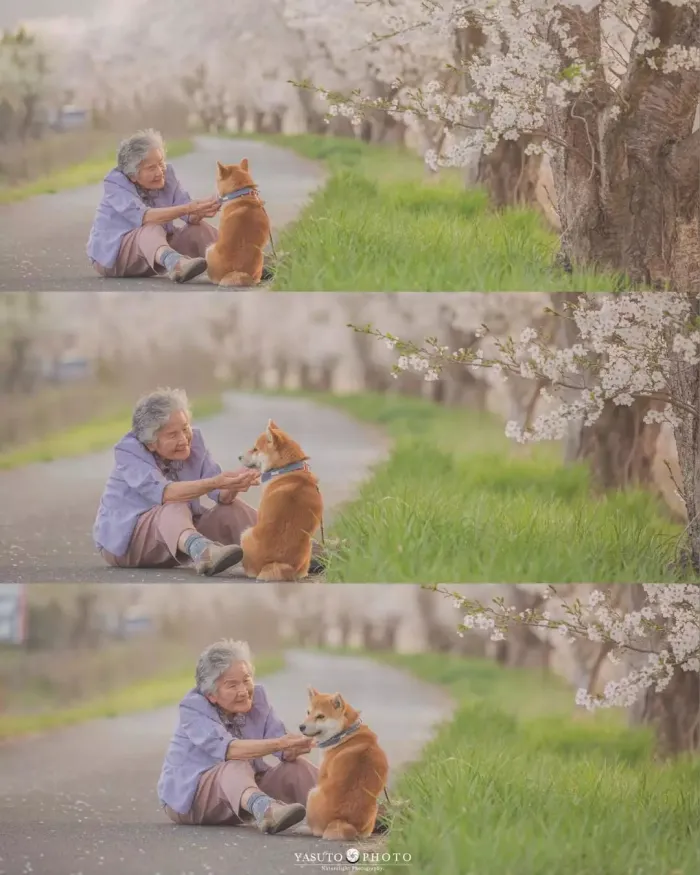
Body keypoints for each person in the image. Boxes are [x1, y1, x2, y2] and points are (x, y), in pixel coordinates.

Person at [93, 387, 325, 576]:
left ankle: (297, 549)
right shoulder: (130, 451)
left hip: (178, 535)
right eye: (173, 435)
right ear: (151, 443)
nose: (184, 439)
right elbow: (167, 493)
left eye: (185, 429)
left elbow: (220, 494)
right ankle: (203, 552)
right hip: (128, 545)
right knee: (175, 505)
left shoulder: (195, 443)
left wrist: (235, 482)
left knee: (231, 510)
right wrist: (215, 482)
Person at [158, 639, 318, 833]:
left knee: (296, 768)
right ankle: (266, 810)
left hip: (241, 796)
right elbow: (229, 749)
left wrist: (293, 748)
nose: (243, 691)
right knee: (236, 762)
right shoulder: (194, 708)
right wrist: (280, 743)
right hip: (192, 801)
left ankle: (351, 808)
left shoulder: (258, 701)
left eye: (246, 679)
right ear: (211, 695)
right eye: (232, 685)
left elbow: (282, 746)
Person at [86, 128, 221, 283]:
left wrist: (205, 207)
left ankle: (239, 262)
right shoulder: (115, 183)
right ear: (133, 176)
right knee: (152, 226)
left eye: (160, 162)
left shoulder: (167, 174)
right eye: (151, 168)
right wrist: (189, 208)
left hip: (153, 253)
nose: (160, 172)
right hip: (114, 258)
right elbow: (145, 217)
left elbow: (189, 214)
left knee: (199, 229)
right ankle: (176, 264)